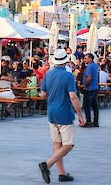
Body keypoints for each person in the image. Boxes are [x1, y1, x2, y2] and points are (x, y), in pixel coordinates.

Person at [39, 49, 84, 184]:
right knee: (69, 144)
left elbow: (42, 94)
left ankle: (62, 173)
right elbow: (73, 96)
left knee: (57, 143)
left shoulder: (48, 74)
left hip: (51, 112)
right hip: (64, 112)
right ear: (66, 61)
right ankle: (47, 164)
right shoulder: (68, 76)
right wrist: (80, 114)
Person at [82, 53, 100, 128]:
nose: (84, 59)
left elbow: (89, 78)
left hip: (89, 88)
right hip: (95, 87)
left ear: (90, 59)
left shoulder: (89, 67)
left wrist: (85, 86)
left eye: (85, 58)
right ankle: (96, 121)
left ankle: (88, 121)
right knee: (94, 105)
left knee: (87, 105)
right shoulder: (95, 66)